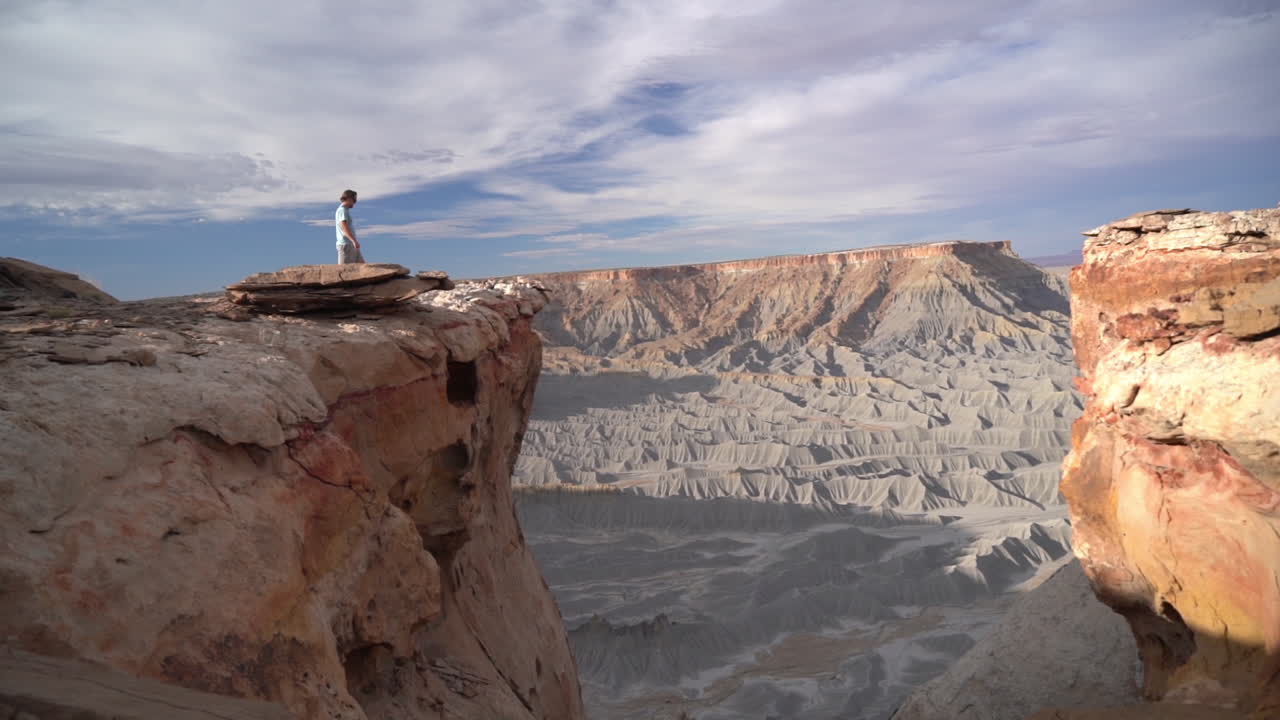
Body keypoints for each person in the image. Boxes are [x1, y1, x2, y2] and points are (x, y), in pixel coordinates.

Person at [335, 189, 364, 264]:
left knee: (362, 266)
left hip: (351, 245)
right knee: (345, 270)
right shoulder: (342, 210)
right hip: (346, 245)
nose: (355, 202)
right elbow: (343, 227)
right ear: (348, 199)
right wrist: (353, 240)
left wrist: (354, 242)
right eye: (354, 199)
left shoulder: (345, 210)